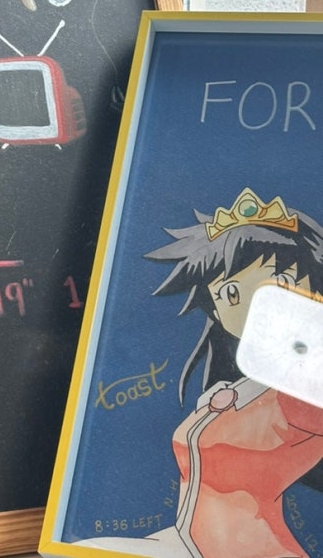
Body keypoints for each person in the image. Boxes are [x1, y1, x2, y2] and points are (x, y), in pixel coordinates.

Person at [75, 187, 323, 558]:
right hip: (188, 543)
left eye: (278, 284)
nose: (244, 305)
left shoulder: (304, 389)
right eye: (228, 294)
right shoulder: (245, 383)